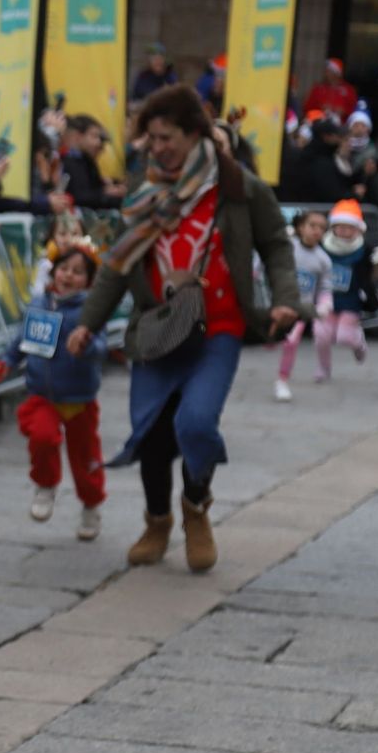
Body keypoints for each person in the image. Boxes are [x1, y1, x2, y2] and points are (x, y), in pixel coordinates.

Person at [68, 85, 305, 573]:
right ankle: (157, 521)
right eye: (151, 139)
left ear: (194, 134)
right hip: (157, 328)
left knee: (195, 424)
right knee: (152, 434)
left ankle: (196, 508)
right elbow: (117, 263)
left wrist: (285, 299)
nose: (157, 148)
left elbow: (276, 245)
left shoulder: (238, 188)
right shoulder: (143, 190)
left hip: (219, 328)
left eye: (166, 138)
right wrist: (88, 323)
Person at [0, 246, 108, 540]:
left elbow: (102, 347)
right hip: (42, 394)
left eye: (78, 272)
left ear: (89, 280)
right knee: (41, 437)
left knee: (86, 457)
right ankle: (45, 484)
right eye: (64, 268)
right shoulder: (40, 303)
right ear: (53, 271)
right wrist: (7, 361)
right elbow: (21, 339)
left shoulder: (91, 311)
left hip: (79, 398)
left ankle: (91, 504)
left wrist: (86, 345)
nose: (68, 276)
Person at [314, 198, 378, 378]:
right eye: (341, 226)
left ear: (358, 228)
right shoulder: (322, 245)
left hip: (351, 299)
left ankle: (359, 344)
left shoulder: (365, 249)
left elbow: (376, 270)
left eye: (349, 227)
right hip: (326, 298)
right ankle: (324, 368)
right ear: (333, 227)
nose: (345, 230)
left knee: (344, 337)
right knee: (321, 335)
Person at [275, 209, 334, 402]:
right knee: (270, 339)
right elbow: (265, 262)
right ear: (300, 227)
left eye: (322, 228)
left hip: (300, 309)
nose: (317, 231)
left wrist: (325, 304)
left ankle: (282, 380)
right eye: (312, 226)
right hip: (278, 302)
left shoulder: (323, 260)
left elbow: (325, 287)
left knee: (291, 342)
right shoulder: (287, 248)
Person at [60, 114, 127, 210]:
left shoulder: (87, 161)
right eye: (94, 136)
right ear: (78, 137)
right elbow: (79, 197)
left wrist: (110, 188)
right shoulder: (68, 161)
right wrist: (105, 192)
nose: (99, 143)